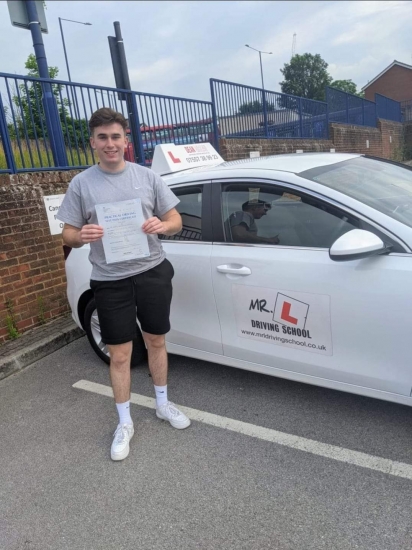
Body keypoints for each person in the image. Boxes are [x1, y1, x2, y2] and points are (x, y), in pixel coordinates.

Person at [57, 107, 190, 462]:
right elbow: (67, 231)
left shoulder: (147, 177)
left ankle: (162, 404)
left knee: (157, 340)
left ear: (126, 140)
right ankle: (125, 422)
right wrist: (80, 235)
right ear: (93, 143)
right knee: (120, 353)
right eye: (103, 137)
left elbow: (175, 219)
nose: (110, 143)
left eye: (116, 136)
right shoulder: (82, 184)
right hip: (109, 279)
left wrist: (163, 226)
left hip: (151, 271)